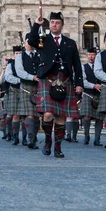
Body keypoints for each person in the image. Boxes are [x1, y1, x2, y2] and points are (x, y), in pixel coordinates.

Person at [28, 11, 83, 158]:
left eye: (57, 22)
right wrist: (36, 24)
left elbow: (77, 65)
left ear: (62, 25)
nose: (54, 25)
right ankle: (47, 141)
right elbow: (31, 40)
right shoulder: (43, 40)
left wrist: (79, 84)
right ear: (49, 24)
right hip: (48, 80)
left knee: (61, 117)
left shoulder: (70, 43)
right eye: (52, 22)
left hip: (65, 81)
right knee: (47, 114)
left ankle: (57, 147)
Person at [14, 33, 41, 149]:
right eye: (27, 41)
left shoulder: (40, 55)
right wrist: (32, 77)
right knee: (30, 114)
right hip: (26, 87)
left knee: (36, 116)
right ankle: (30, 139)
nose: (29, 43)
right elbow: (20, 72)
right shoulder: (20, 57)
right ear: (24, 43)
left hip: (39, 88)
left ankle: (33, 138)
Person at [80, 47, 104, 146]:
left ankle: (97, 139)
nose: (91, 57)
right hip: (88, 93)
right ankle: (86, 136)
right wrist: (94, 85)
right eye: (89, 54)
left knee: (100, 118)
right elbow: (83, 81)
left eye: (93, 54)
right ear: (87, 56)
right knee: (86, 116)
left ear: (96, 56)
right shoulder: (83, 67)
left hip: (100, 95)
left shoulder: (101, 67)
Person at [4, 46, 23, 145]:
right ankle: (11, 135)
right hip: (13, 89)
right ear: (13, 55)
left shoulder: (26, 64)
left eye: (20, 53)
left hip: (25, 90)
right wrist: (20, 80)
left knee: (24, 115)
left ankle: (25, 138)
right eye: (17, 53)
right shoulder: (10, 65)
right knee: (12, 114)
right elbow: (7, 77)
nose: (18, 55)